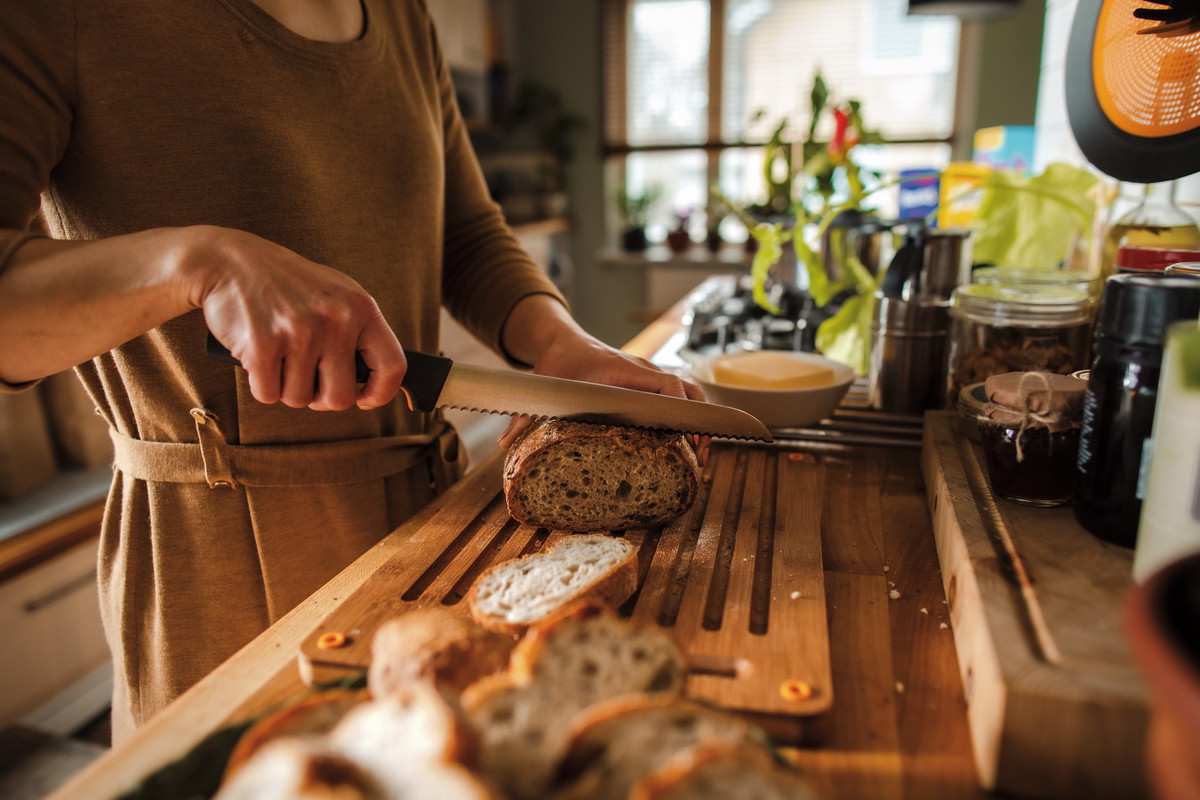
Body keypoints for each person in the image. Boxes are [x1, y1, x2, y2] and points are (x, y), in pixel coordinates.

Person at [0, 0, 702, 742]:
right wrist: (196, 263)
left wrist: (556, 343)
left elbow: (463, 231)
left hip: (428, 528)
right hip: (217, 578)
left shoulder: (404, 17)